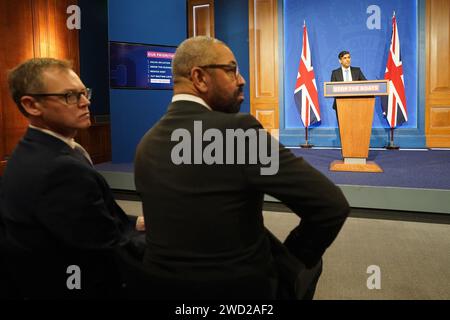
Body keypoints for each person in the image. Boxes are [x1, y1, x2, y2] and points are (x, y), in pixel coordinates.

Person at [134, 36, 350, 299]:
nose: (241, 79)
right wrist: (289, 264)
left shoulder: (145, 144)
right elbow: (331, 205)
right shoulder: (238, 132)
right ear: (200, 78)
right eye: (231, 69)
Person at [0, 58, 146, 299]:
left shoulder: (33, 150)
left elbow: (89, 222)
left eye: (84, 92)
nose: (86, 102)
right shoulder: (60, 170)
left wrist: (135, 223)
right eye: (70, 96)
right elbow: (107, 252)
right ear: (32, 105)